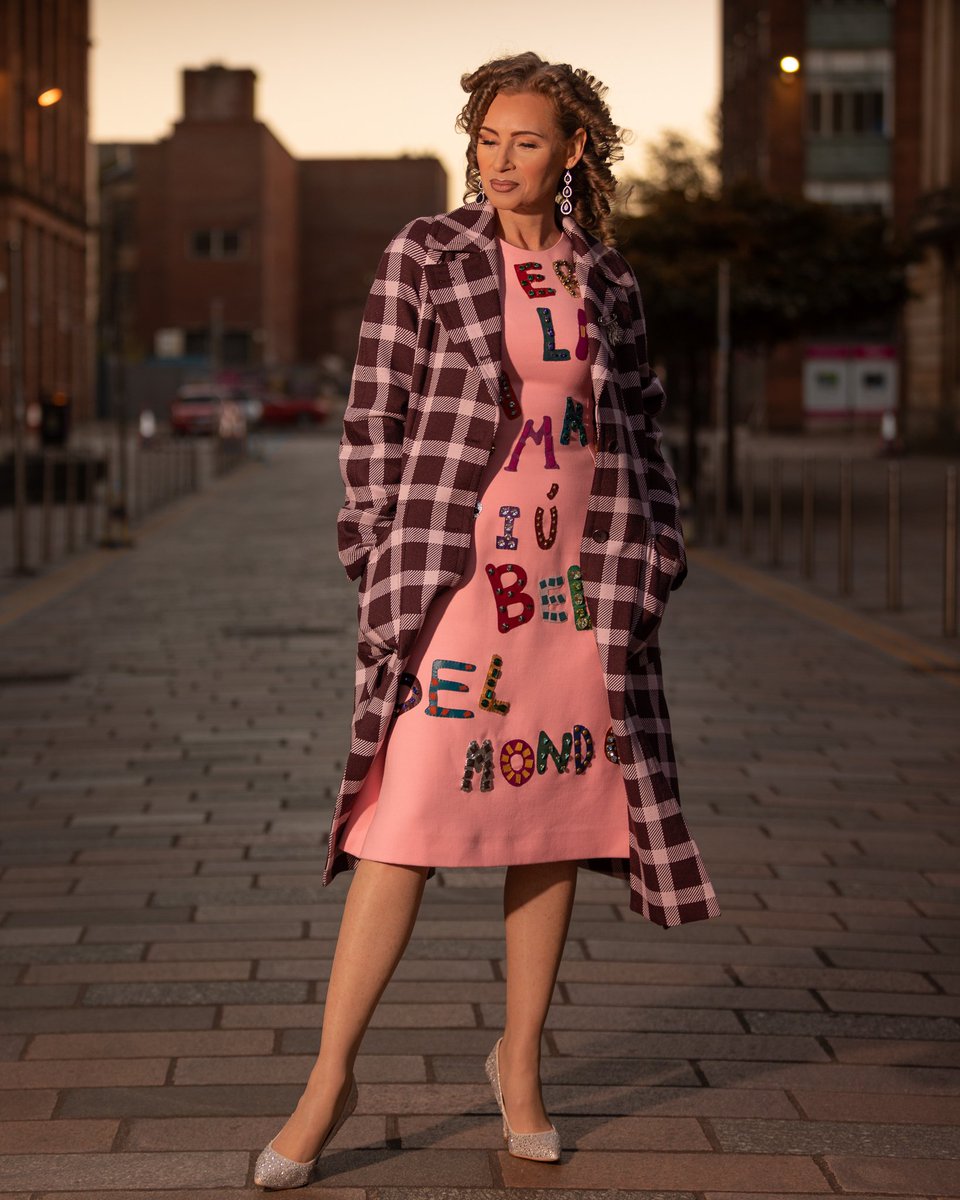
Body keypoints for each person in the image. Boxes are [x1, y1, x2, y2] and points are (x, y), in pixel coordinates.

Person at [255, 50, 721, 1191]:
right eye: (488, 139)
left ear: (571, 152)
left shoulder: (607, 279)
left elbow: (643, 425)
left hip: (575, 583)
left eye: (526, 142)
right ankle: (329, 1081)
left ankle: (520, 1065)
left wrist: (658, 545)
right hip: (462, 580)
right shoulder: (428, 251)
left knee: (556, 811)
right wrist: (373, 546)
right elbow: (376, 405)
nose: (501, 160)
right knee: (401, 813)